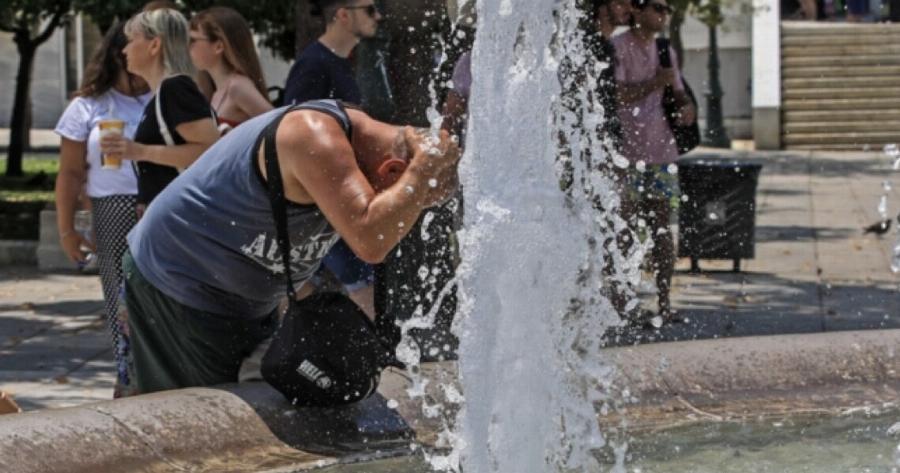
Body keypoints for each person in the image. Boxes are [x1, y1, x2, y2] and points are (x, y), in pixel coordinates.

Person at [121, 100, 460, 393]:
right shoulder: (313, 134)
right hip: (179, 280)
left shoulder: (358, 149)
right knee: (198, 424)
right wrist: (421, 172)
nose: (404, 223)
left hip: (243, 298)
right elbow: (371, 241)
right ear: (394, 168)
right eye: (408, 206)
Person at [54, 22, 153, 397]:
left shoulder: (162, 96)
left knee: (163, 291)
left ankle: (161, 370)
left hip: (159, 202)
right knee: (119, 295)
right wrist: (67, 230)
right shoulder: (88, 106)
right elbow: (70, 172)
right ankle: (126, 374)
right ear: (117, 55)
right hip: (111, 206)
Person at [283, 0, 384, 319]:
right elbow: (293, 133)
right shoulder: (313, 65)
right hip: (323, 200)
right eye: (369, 9)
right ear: (342, 14)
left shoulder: (338, 62)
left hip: (334, 196)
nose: (378, 16)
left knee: (358, 283)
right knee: (359, 286)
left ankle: (335, 352)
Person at [613, 0, 695, 323]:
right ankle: (627, 305)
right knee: (627, 230)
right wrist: (653, 83)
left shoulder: (665, 50)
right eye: (657, 8)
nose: (663, 15)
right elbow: (617, 95)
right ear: (637, 10)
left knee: (662, 229)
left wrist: (687, 108)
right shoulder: (617, 47)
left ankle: (664, 303)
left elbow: (677, 93)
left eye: (666, 10)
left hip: (661, 152)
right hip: (627, 155)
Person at [101, 8, 219, 212]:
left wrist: (140, 151)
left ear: (155, 45)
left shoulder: (174, 88)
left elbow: (210, 151)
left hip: (185, 218)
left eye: (131, 40)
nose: (124, 50)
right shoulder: (164, 93)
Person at [189, 7, 273, 134]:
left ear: (218, 46)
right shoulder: (215, 91)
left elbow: (277, 126)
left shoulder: (237, 86)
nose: (187, 46)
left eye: (192, 41)